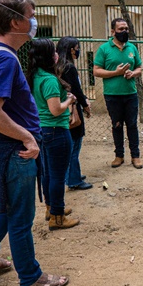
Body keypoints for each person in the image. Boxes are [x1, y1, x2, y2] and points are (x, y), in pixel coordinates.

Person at [0, 0, 68, 286]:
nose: (34, 21)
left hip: (3, 147)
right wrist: (28, 138)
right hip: (14, 150)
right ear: (15, 22)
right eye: (30, 15)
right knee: (21, 218)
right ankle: (31, 276)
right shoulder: (4, 59)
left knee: (11, 208)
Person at [26, 38, 80, 230]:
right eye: (53, 51)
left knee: (48, 173)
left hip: (43, 130)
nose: (57, 54)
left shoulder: (35, 76)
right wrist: (70, 101)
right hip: (56, 130)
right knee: (57, 175)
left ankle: (52, 208)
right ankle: (57, 217)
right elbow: (56, 109)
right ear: (48, 56)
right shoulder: (49, 80)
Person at [93, 18, 143, 169]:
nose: (125, 32)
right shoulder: (104, 49)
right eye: (121, 29)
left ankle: (135, 156)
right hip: (112, 95)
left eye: (126, 29)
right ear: (113, 31)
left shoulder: (132, 48)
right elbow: (96, 71)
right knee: (117, 125)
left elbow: (140, 68)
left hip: (130, 94)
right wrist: (116, 72)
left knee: (132, 125)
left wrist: (133, 73)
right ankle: (119, 155)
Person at [57, 36, 93, 190]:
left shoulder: (57, 65)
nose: (78, 51)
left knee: (69, 144)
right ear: (71, 49)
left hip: (64, 108)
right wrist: (85, 104)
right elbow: (76, 90)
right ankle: (74, 179)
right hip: (72, 107)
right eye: (77, 48)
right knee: (75, 144)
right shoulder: (69, 67)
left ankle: (72, 173)